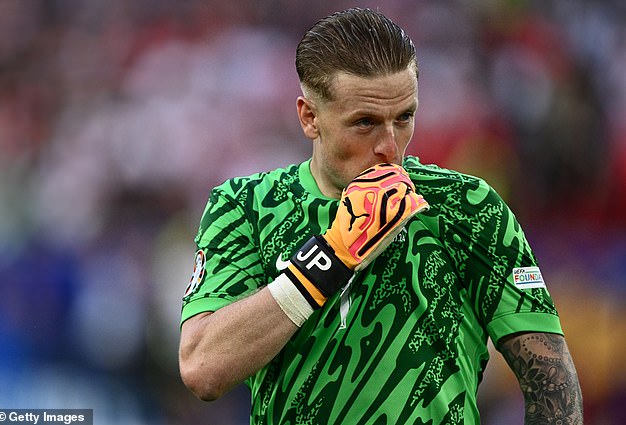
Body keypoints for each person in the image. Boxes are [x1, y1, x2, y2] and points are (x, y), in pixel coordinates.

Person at [179, 8, 583, 424]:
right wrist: (331, 256)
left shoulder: (469, 206)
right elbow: (202, 369)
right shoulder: (246, 205)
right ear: (309, 117)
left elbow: (551, 382)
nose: (390, 146)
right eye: (365, 123)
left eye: (404, 117)